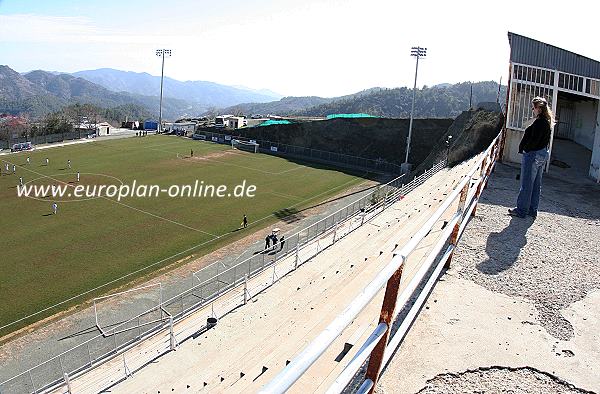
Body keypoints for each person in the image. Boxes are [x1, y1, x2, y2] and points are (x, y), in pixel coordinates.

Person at [509, 97, 553, 219]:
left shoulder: (539, 122)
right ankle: (532, 210)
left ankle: (521, 210)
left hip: (533, 155)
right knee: (536, 184)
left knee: (527, 183)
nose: (532, 110)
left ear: (539, 108)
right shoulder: (546, 121)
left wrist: (526, 149)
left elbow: (534, 139)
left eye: (533, 107)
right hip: (542, 153)